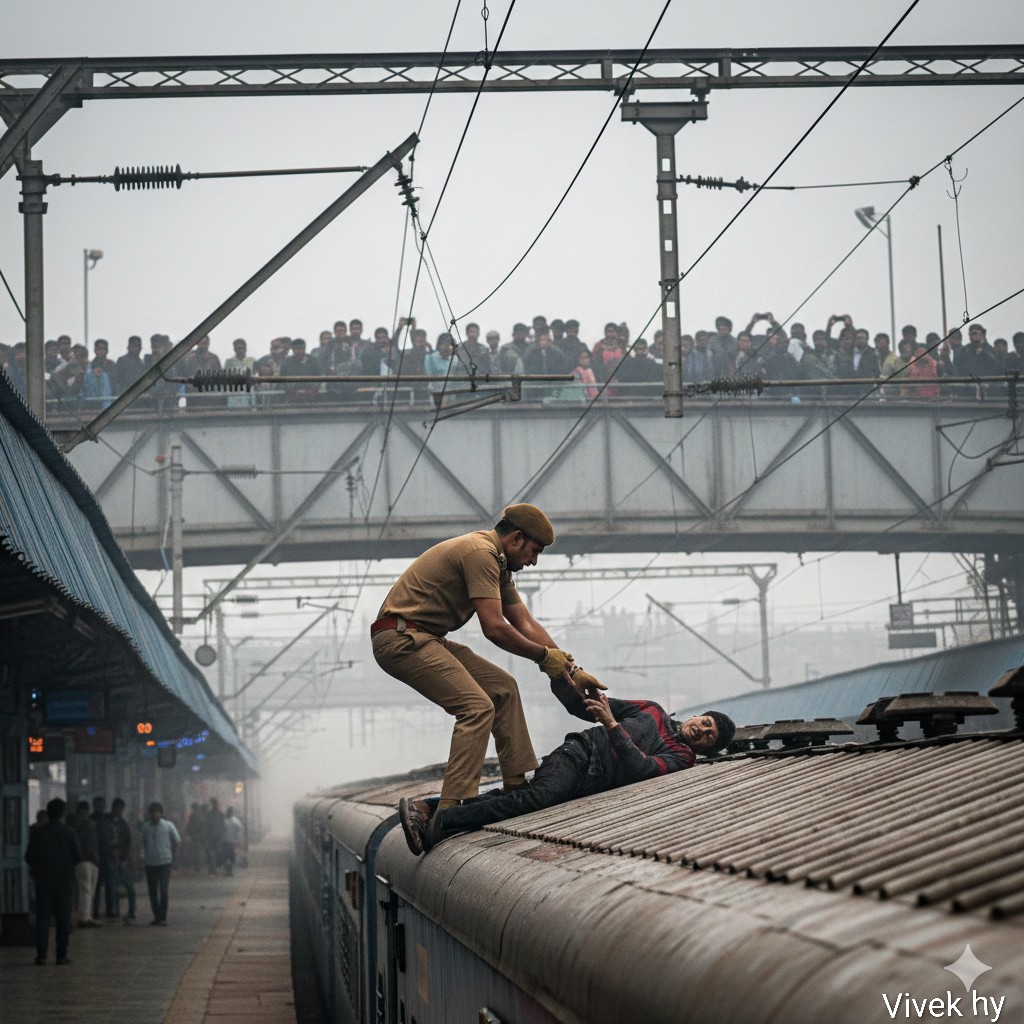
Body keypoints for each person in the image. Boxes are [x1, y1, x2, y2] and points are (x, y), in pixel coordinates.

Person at [372, 504, 574, 809]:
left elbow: (525, 623)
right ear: (516, 538)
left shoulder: (499, 564)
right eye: (535, 551)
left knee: (503, 688)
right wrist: (545, 658)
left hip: (426, 638)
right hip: (401, 639)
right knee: (476, 708)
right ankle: (452, 807)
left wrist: (568, 667)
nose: (533, 561)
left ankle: (516, 785)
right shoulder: (480, 553)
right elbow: (494, 628)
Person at [400, 672, 736, 855]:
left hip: (588, 781)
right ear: (697, 715)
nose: (702, 729)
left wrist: (612, 725)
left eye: (709, 735)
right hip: (579, 755)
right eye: (705, 722)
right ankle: (444, 820)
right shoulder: (652, 709)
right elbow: (585, 706)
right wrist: (561, 676)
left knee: (522, 798)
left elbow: (643, 768)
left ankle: (429, 808)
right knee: (534, 799)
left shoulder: (682, 757)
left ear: (706, 749)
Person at [25, 797, 81, 964]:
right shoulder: (69, 832)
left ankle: (41, 955)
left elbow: (28, 857)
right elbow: (77, 857)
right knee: (63, 920)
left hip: (43, 882)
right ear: (62, 813)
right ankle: (61, 955)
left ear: (48, 813)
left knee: (42, 919)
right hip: (64, 882)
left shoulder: (38, 833)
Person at [140, 802, 180, 925]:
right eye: (153, 813)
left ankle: (162, 916)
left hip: (165, 862)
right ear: (150, 814)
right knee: (152, 891)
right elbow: (142, 843)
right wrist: (142, 855)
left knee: (163, 890)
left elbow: (177, 840)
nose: (155, 816)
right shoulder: (146, 827)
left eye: (157, 813)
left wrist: (173, 855)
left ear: (161, 814)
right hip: (151, 863)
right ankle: (156, 916)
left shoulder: (169, 826)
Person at [71, 801, 101, 928]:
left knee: (87, 890)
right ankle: (84, 918)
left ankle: (86, 916)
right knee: (86, 890)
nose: (85, 813)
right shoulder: (88, 825)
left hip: (88, 860)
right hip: (85, 860)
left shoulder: (75, 826)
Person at [109, 798, 137, 922]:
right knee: (113, 887)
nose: (120, 811)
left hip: (123, 859)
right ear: (114, 808)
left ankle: (131, 911)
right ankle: (115, 911)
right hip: (111, 858)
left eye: (121, 809)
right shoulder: (107, 822)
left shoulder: (123, 823)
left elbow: (128, 841)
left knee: (129, 887)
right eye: (118, 809)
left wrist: (124, 855)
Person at [206, 797, 225, 875]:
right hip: (218, 836)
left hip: (210, 836)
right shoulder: (221, 814)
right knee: (218, 851)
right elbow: (223, 826)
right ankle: (217, 867)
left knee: (210, 852)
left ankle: (212, 868)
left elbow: (206, 825)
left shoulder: (209, 814)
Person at [222, 807, 243, 875]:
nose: (226, 813)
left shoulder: (224, 821)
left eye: (227, 812)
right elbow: (239, 832)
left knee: (227, 856)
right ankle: (229, 870)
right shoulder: (236, 821)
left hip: (227, 841)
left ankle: (228, 870)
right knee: (231, 857)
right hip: (232, 842)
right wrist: (238, 841)